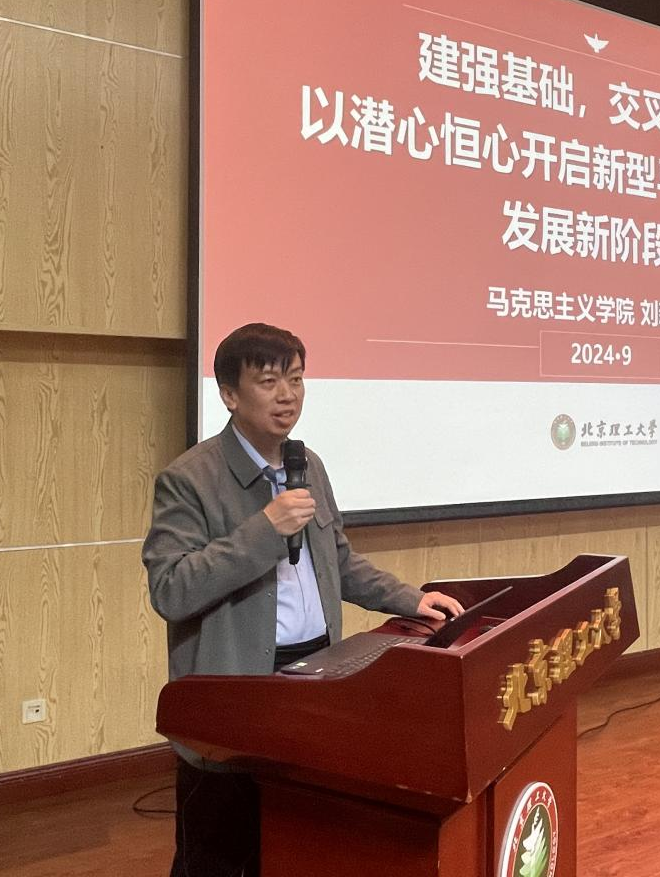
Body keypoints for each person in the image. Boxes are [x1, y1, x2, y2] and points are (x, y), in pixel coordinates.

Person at [142, 322, 463, 877]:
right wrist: (264, 530)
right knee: (219, 854)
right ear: (229, 395)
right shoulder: (189, 479)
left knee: (300, 841)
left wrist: (409, 599)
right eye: (268, 382)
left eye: (295, 379)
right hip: (237, 689)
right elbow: (171, 589)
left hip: (316, 674)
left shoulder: (306, 464)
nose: (287, 395)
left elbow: (337, 562)